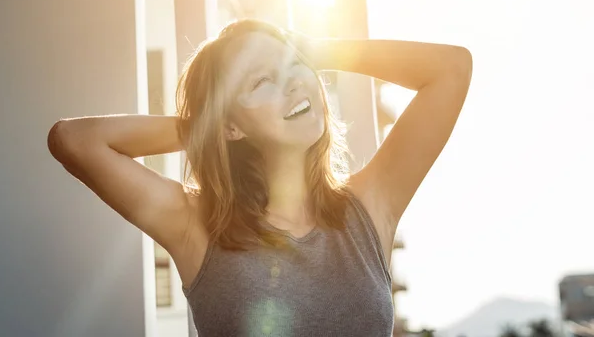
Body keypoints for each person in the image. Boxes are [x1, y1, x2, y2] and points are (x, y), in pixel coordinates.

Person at [47, 19, 472, 336]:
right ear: (231, 128)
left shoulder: (368, 208)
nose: (291, 83)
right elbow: (74, 140)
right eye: (262, 80)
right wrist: (208, 123)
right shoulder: (198, 228)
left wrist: (315, 50)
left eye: (294, 67)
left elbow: (452, 67)